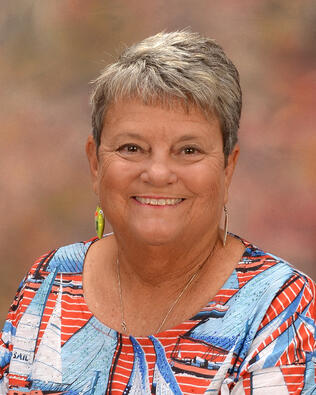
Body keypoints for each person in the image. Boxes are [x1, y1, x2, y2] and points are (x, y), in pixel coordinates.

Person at [0, 31, 315, 395]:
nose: (158, 173)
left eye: (189, 150)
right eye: (132, 147)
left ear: (228, 167)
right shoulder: (49, 281)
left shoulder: (281, 311)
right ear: (95, 164)